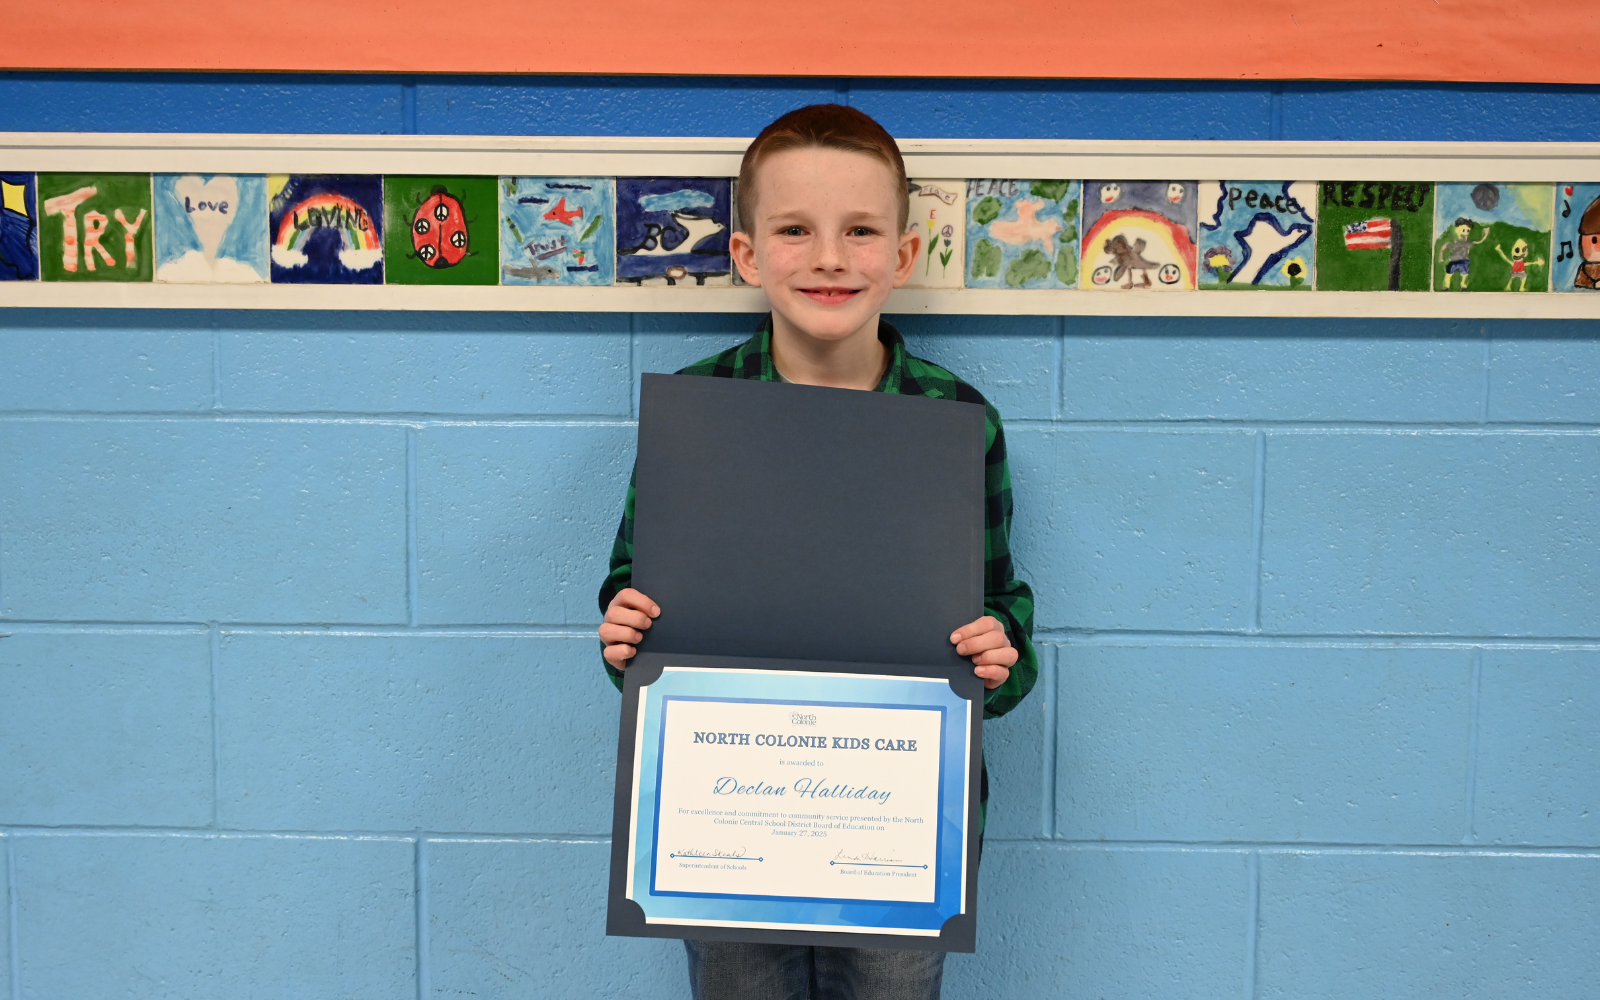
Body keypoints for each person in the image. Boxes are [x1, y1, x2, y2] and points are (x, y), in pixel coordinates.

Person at [595, 104, 1038, 1000]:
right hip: (726, 818)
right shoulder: (696, 413)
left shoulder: (957, 424)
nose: (830, 257)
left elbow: (1005, 612)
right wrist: (623, 634)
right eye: (795, 230)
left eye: (861, 231)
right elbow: (631, 595)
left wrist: (1002, 654)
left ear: (903, 256)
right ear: (750, 254)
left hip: (901, 834)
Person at [1439, 216, 1490, 289]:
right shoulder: (1455, 243)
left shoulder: (1468, 243)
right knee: (1449, 274)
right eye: (1463, 230)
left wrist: (1485, 234)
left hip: (1464, 261)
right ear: (1457, 230)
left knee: (1464, 274)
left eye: (1467, 231)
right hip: (1454, 260)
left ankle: (1463, 286)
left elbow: (1478, 242)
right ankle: (1446, 286)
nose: (1465, 233)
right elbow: (1444, 247)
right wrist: (1441, 255)